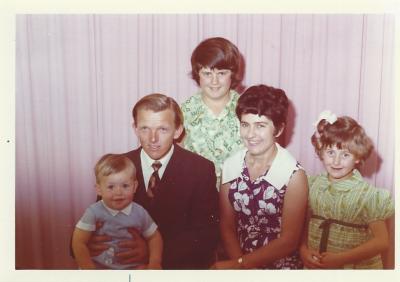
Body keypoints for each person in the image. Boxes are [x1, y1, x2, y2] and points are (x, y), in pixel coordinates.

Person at [88, 93, 219, 269]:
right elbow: (95, 219)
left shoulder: (200, 169)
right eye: (145, 129)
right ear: (135, 128)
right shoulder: (117, 166)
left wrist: (152, 252)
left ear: (178, 130)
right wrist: (90, 241)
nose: (153, 139)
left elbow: (207, 237)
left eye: (162, 129)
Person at [213, 84, 308, 269]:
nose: (250, 134)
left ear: (279, 129)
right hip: (238, 258)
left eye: (260, 126)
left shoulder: (294, 176)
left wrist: (240, 265)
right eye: (245, 125)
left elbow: (289, 241)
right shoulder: (231, 165)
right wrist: (240, 265)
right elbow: (227, 225)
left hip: (279, 266)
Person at [299, 111, 394, 269]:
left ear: (357, 157)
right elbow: (305, 224)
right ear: (321, 152)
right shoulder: (312, 185)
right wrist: (303, 250)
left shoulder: (368, 196)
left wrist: (340, 259)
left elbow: (382, 242)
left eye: (345, 154)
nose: (336, 161)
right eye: (330, 153)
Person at [72, 154, 163, 269]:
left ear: (134, 187)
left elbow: (154, 237)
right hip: (99, 267)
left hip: (132, 266)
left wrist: (155, 262)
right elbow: (78, 241)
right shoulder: (93, 212)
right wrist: (88, 268)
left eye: (125, 186)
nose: (118, 192)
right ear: (99, 189)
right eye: (111, 187)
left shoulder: (139, 212)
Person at [181, 37, 243, 188]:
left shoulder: (246, 108)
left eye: (221, 73)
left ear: (232, 74)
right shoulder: (184, 110)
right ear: (197, 74)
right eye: (207, 73)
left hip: (238, 193)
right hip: (196, 193)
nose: (214, 81)